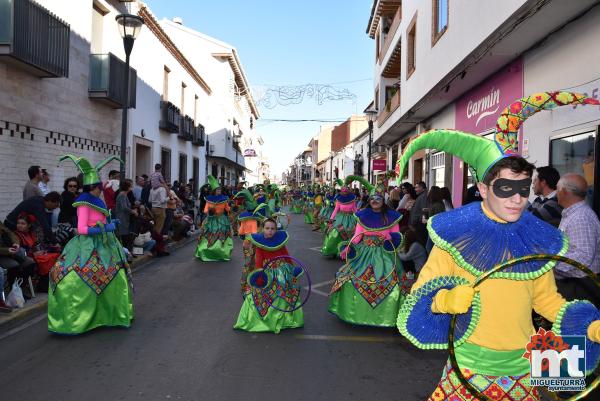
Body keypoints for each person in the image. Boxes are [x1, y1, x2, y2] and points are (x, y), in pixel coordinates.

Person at [396, 91, 600, 401]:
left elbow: (546, 300)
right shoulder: (456, 236)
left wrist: (589, 325)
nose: (518, 199)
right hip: (469, 368)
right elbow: (422, 293)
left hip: (521, 370)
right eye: (506, 188)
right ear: (482, 188)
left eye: (522, 188)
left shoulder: (534, 236)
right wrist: (445, 299)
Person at [47, 155, 133, 334]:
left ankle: (109, 314)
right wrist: (106, 228)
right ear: (92, 188)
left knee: (116, 277)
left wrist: (111, 222)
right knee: (79, 279)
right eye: (99, 188)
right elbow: (82, 229)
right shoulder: (83, 205)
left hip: (105, 246)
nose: (101, 190)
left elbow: (101, 219)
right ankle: (81, 318)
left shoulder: (97, 201)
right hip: (87, 247)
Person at [329, 178, 403, 327]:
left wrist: (390, 238)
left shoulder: (392, 217)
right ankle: (355, 314)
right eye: (372, 198)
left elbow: (397, 238)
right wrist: (349, 247)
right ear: (369, 200)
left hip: (384, 255)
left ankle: (385, 317)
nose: (375, 201)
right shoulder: (362, 216)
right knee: (349, 279)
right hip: (364, 253)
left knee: (390, 282)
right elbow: (357, 238)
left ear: (383, 200)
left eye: (378, 198)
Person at [234, 218, 304, 333]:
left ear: (276, 230)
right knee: (260, 294)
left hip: (282, 272)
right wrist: (260, 276)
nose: (270, 231)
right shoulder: (260, 243)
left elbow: (287, 257)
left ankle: (285, 319)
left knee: (285, 291)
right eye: (267, 228)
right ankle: (266, 319)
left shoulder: (280, 242)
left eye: (272, 229)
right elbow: (258, 261)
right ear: (263, 229)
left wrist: (292, 269)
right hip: (267, 272)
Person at [554, 173, 600, 307]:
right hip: (576, 284)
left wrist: (552, 265)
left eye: (557, 189)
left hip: (580, 287)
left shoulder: (580, 217)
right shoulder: (573, 214)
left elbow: (583, 257)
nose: (556, 193)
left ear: (564, 191)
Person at [195, 176, 233, 261]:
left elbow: (227, 208)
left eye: (220, 189)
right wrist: (209, 211)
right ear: (214, 191)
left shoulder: (224, 198)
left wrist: (232, 207)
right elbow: (205, 210)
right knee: (209, 236)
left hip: (221, 220)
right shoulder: (209, 199)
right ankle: (208, 252)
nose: (219, 191)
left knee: (221, 236)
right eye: (217, 190)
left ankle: (220, 252)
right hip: (211, 220)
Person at [321, 178, 359, 257]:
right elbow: (335, 210)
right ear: (341, 191)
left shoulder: (352, 199)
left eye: (345, 191)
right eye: (343, 191)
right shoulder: (339, 199)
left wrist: (359, 218)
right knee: (335, 233)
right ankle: (333, 250)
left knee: (350, 234)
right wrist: (331, 219)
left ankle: (346, 252)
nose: (344, 192)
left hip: (350, 219)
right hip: (340, 218)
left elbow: (355, 209)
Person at [0, 221, 36, 299]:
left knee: (30, 263)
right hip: (2, 255)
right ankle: (12, 290)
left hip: (11, 251)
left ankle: (19, 288)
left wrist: (16, 243)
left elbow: (10, 233)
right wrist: (6, 250)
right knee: (15, 265)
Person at [115, 179, 138, 252]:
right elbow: (124, 207)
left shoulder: (125, 194)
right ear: (127, 187)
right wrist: (133, 211)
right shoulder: (122, 195)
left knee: (126, 236)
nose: (132, 187)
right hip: (122, 218)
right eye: (131, 186)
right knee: (124, 237)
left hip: (125, 218)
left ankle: (127, 253)